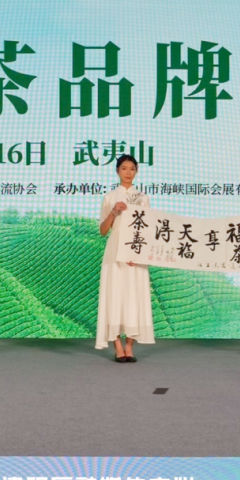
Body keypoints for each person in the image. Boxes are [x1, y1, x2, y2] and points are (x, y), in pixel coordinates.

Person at [97, 154, 155, 363]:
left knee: (134, 296)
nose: (128, 172)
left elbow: (146, 229)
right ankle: (118, 346)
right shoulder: (110, 197)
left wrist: (137, 253)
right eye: (124, 168)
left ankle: (130, 346)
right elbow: (103, 231)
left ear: (136, 171)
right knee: (115, 295)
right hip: (115, 252)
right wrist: (114, 211)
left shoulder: (143, 198)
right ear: (117, 171)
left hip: (135, 251)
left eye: (132, 168)